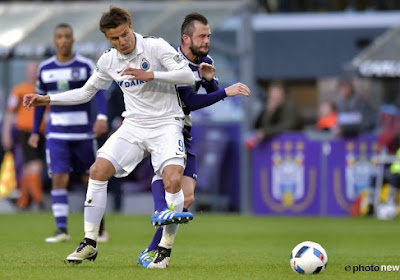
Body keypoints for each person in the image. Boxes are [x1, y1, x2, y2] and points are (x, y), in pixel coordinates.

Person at [24, 6, 198, 269]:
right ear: (107, 38)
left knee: (173, 182)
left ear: (131, 26)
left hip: (166, 124)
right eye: (114, 38)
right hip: (134, 125)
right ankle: (90, 242)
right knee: (97, 170)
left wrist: (151, 74)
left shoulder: (155, 47)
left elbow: (188, 76)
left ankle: (164, 250)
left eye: (124, 34)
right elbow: (85, 92)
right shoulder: (109, 60)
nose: (122, 42)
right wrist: (47, 99)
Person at [137, 12, 251, 268]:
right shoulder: (172, 63)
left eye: (209, 35)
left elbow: (208, 90)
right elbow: (190, 101)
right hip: (162, 129)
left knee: (186, 199)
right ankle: (155, 248)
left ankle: (153, 248)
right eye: (202, 36)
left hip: (184, 132)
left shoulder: (204, 60)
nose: (207, 40)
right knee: (170, 185)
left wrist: (211, 81)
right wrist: (225, 92)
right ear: (186, 38)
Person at [29, 23, 109, 243]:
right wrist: (36, 131)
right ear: (55, 41)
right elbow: (39, 101)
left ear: (73, 40)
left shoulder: (84, 65)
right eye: (59, 37)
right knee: (59, 178)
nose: (63, 40)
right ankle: (61, 229)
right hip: (57, 135)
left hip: (83, 134)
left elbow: (99, 91)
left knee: (91, 180)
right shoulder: (45, 68)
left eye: (67, 36)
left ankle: (99, 228)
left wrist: (101, 117)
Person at [1, 61, 45, 211]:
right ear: (27, 72)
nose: (33, 73)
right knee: (35, 166)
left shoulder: (43, 90)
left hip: (41, 132)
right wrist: (6, 134)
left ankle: (23, 201)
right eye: (31, 70)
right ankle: (38, 200)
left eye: (35, 70)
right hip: (25, 132)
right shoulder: (19, 90)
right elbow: (9, 113)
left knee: (29, 168)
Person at [245, 80, 296, 149]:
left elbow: (286, 126)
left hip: (290, 145)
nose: (274, 96)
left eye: (277, 93)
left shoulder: (288, 106)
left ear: (283, 94)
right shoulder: (268, 106)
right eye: (272, 93)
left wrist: (266, 132)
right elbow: (261, 126)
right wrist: (269, 113)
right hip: (271, 148)